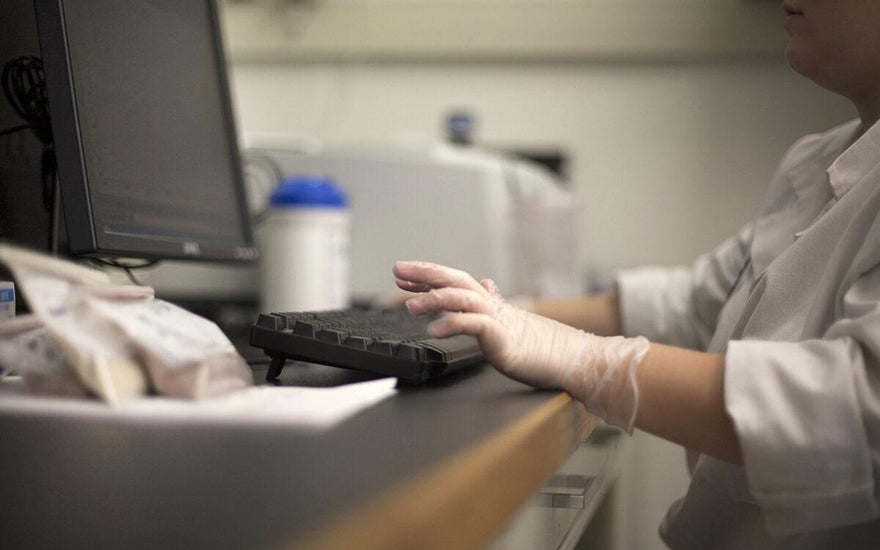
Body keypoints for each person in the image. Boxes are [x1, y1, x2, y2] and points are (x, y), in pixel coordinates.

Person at [392, 2, 880, 548]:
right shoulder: (816, 161)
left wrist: (583, 358)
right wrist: (496, 311)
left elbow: (853, 406)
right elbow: (695, 302)